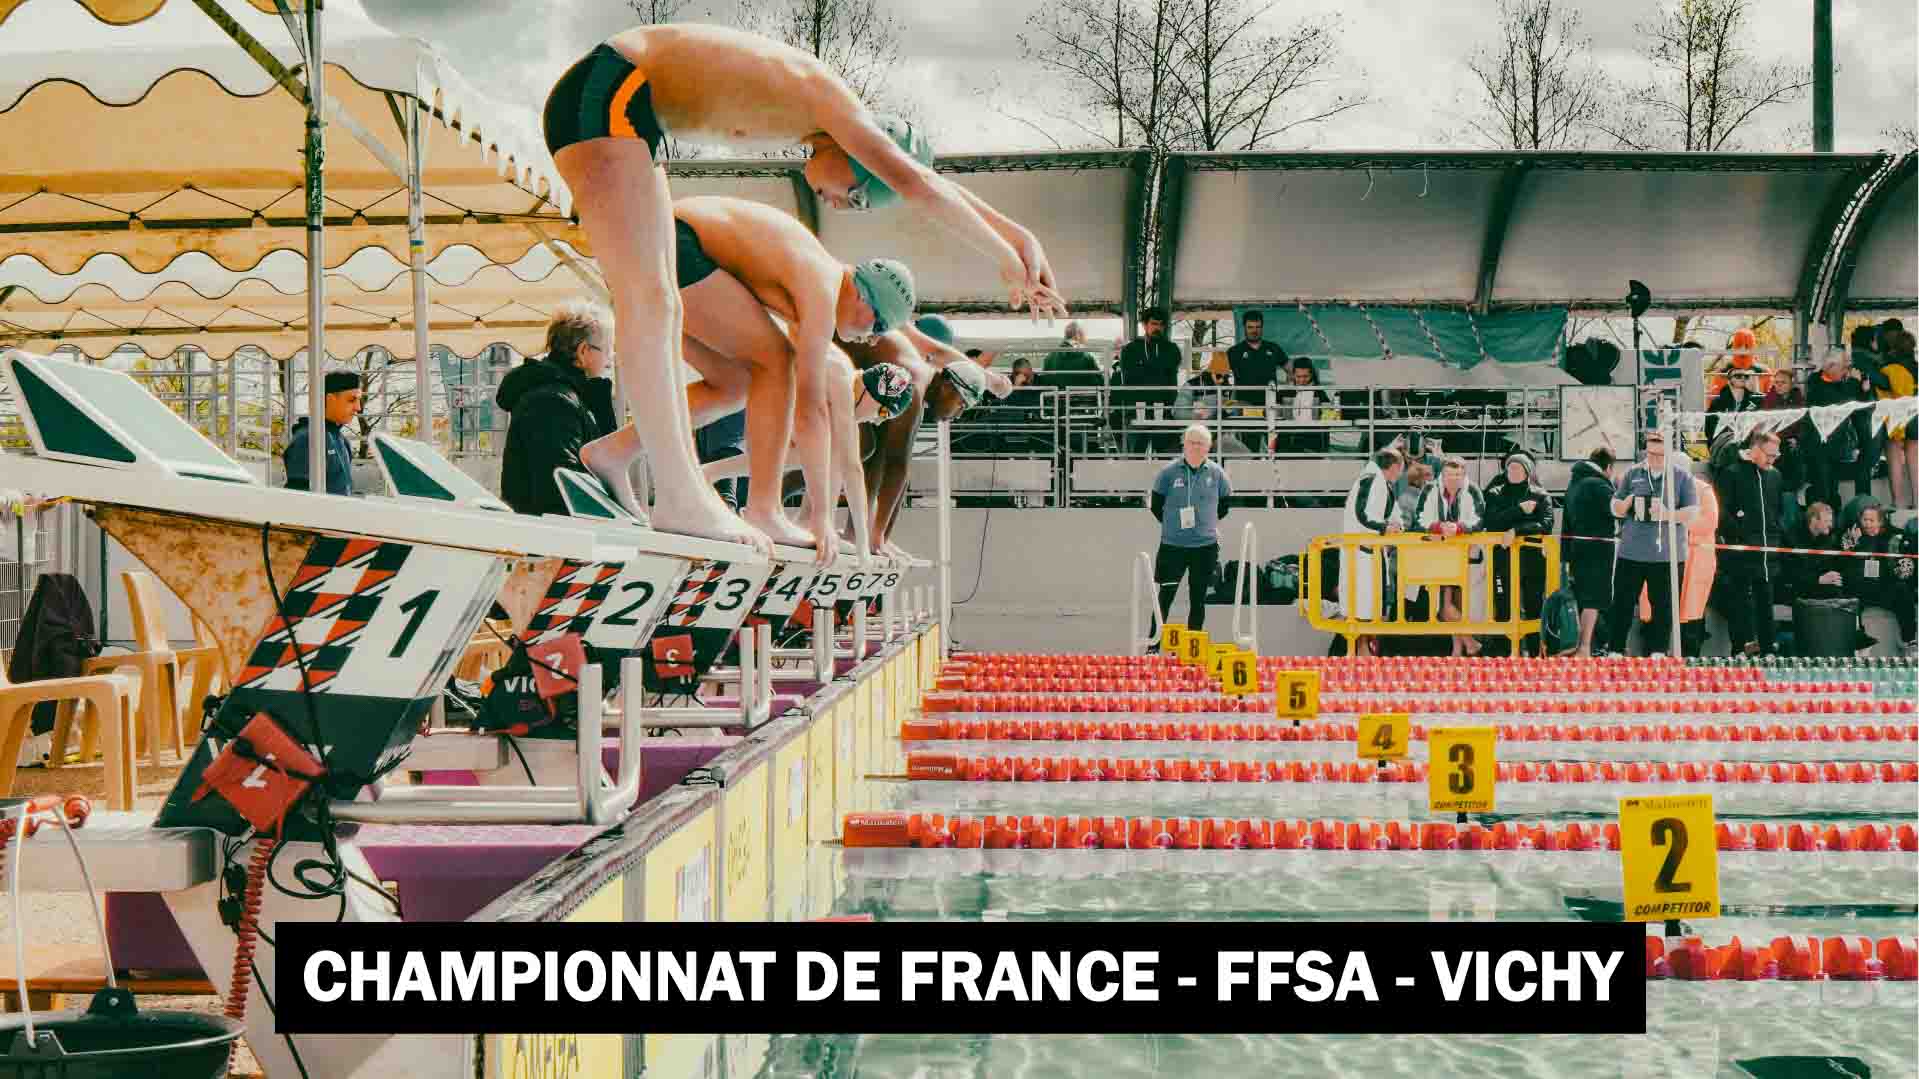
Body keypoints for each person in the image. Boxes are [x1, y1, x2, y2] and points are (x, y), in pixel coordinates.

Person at [541, 24, 1063, 551]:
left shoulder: (822, 115)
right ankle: (683, 495)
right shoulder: (834, 106)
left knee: (690, 329)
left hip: (627, 109)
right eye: (858, 196)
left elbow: (924, 180)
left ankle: (629, 462)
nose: (842, 206)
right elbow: (916, 183)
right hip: (613, 92)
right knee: (656, 303)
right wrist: (1005, 255)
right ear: (858, 154)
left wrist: (1018, 236)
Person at [668, 195, 932, 562]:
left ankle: (615, 453)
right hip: (676, 239)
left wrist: (828, 522)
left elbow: (834, 461)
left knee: (734, 386)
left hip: (671, 237)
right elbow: (815, 420)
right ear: (863, 299)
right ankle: (763, 510)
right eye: (878, 326)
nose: (873, 339)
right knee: (775, 362)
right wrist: (823, 520)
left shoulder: (812, 284)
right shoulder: (824, 301)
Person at [708, 359, 915, 567]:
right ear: (874, 393)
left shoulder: (841, 384)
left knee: (825, 447)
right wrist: (863, 550)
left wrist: (859, 545)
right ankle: (798, 519)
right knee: (826, 447)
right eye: (884, 413)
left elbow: (847, 468)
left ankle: (811, 523)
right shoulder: (841, 382)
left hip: (736, 410)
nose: (878, 421)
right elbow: (853, 471)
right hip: (732, 413)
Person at [497, 302, 618, 517]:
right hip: (554, 540)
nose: (610, 358)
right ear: (583, 351)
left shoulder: (558, 395)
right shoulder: (553, 402)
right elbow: (562, 485)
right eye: (608, 350)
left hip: (549, 535)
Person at [1606, 431, 1698, 656]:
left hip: (1667, 554)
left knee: (1664, 607)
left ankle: (1658, 651)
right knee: (1622, 604)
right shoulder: (1632, 473)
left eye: (1659, 454)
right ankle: (1616, 650)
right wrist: (1625, 503)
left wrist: (1668, 514)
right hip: (1632, 551)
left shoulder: (1681, 477)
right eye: (1650, 453)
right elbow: (1615, 506)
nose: (1654, 458)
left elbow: (1693, 512)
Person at [1148, 424, 1231, 634]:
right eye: (1191, 442)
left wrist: (1206, 524)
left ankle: (1194, 646)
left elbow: (1224, 506)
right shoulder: (1167, 473)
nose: (1195, 447)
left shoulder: (1217, 473)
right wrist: (1173, 526)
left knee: (1198, 599)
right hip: (1173, 546)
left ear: (1208, 447)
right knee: (1164, 598)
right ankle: (1153, 646)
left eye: (1200, 443)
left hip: (1205, 547)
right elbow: (1156, 506)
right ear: (1183, 444)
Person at [1715, 429, 1785, 656]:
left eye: (1776, 456)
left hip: (1767, 550)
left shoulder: (1774, 476)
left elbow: (1777, 511)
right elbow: (1722, 512)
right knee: (1741, 603)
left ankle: (1768, 648)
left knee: (1766, 602)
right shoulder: (1732, 473)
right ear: (1754, 450)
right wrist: (1739, 534)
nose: (1773, 460)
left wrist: (1774, 536)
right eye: (1769, 455)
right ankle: (1740, 647)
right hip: (1742, 552)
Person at [1481, 451, 1554, 655]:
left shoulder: (1540, 494)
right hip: (1503, 560)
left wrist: (1516, 530)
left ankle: (1534, 653)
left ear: (1527, 472)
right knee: (1503, 607)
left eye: (1518, 468)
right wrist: (1519, 511)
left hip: (1532, 561)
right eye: (1510, 467)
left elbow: (1546, 524)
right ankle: (1503, 655)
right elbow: (1490, 522)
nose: (1512, 471)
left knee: (1533, 607)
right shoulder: (1495, 493)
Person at [1642, 462, 1717, 658]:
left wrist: (1673, 518)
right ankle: (1654, 655)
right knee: (1658, 607)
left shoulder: (1703, 490)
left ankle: (1689, 658)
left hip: (1694, 561)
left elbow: (1709, 523)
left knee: (1691, 616)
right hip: (1660, 558)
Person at [1415, 455, 1487, 656]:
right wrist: (1438, 527)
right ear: (1442, 474)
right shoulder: (1430, 489)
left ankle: (1457, 649)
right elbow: (1419, 518)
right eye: (1449, 474)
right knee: (1444, 607)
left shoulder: (1473, 490)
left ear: (1464, 474)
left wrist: (1459, 528)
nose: (1453, 478)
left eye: (1457, 474)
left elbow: (1480, 520)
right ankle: (1471, 643)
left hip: (1468, 556)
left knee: (1458, 605)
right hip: (1440, 556)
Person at [1340, 448, 1405, 648]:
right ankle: (1361, 655)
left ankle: (1363, 654)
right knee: (1362, 606)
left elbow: (1389, 515)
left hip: (1367, 551)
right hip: (1363, 552)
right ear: (1395, 467)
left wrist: (1393, 525)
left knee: (1368, 605)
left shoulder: (1376, 481)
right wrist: (1385, 527)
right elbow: (1363, 515)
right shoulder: (1372, 480)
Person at [1560, 446, 1617, 656]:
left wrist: (1564, 555)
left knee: (1583, 598)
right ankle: (1584, 647)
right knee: (1594, 599)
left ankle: (1580, 646)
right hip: (1598, 550)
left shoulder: (1575, 482)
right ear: (1608, 467)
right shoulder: (1598, 485)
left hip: (1576, 549)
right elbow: (1617, 511)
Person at [1842, 504, 1916, 650]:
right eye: (1864, 520)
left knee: (1902, 591)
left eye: (1871, 520)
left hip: (1884, 587)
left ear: (1880, 522)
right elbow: (1843, 566)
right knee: (1848, 589)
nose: (1867, 524)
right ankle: (1858, 637)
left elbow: (1908, 567)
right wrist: (1851, 546)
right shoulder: (1852, 535)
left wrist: (1903, 568)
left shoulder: (1895, 536)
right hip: (1861, 587)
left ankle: (1910, 640)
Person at [283, 369, 361, 496]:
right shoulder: (307, 439)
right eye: (352, 400)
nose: (358, 407)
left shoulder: (342, 441)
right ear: (330, 399)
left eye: (359, 400)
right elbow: (297, 499)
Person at [1805, 348, 1865, 512]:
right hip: (1818, 449)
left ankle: (1832, 523)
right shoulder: (1815, 383)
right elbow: (1839, 399)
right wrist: (1854, 382)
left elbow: (1858, 406)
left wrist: (1863, 389)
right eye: (1844, 367)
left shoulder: (1840, 384)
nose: (1847, 371)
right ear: (1830, 366)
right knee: (1822, 491)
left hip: (1836, 448)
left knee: (1832, 491)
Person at [1114, 306, 1182, 452]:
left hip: (1164, 411)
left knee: (1167, 457)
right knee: (1135, 458)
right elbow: (1129, 377)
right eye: (1154, 324)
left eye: (1161, 324)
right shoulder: (1130, 349)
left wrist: (1146, 369)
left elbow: (1169, 375)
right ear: (1144, 325)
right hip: (1137, 410)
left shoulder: (1172, 349)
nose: (1158, 327)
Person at [1878, 328, 1916, 509]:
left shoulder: (1886, 368)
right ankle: (1917, 502)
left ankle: (1898, 502)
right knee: (1915, 461)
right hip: (1915, 415)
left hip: (1895, 417)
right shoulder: (1916, 367)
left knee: (1894, 459)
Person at [1227, 310, 1287, 406]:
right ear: (1244, 328)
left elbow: (1291, 370)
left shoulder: (1273, 348)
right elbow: (1219, 375)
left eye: (1257, 327)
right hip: (1244, 404)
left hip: (1270, 403)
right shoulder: (1234, 351)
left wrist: (1288, 391)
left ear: (1262, 327)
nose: (1254, 331)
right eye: (1250, 327)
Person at [1704, 366, 1762, 443]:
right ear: (1729, 380)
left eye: (1746, 376)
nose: (1743, 378)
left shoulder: (1756, 399)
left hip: (1748, 443)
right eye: (1738, 376)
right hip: (1725, 444)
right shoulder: (1718, 402)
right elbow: (1709, 426)